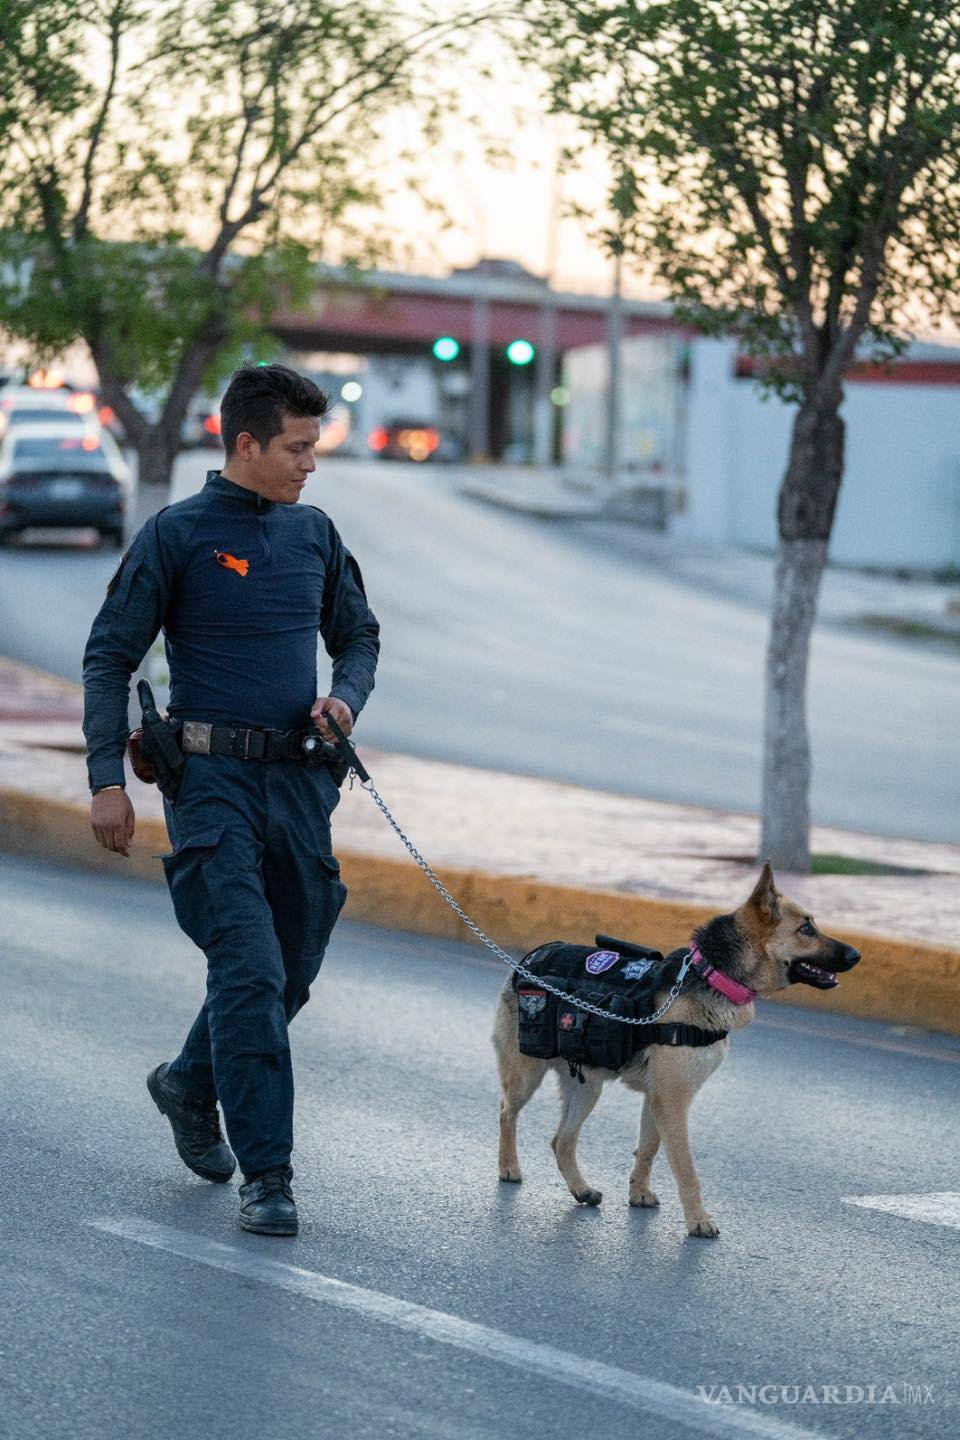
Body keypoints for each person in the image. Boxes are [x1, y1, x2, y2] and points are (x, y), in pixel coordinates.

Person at [82, 363, 380, 1237]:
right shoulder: (177, 535)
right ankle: (270, 1176)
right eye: (297, 448)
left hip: (300, 785)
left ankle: (187, 1079)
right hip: (209, 785)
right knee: (246, 969)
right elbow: (110, 657)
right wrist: (106, 778)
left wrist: (345, 699)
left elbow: (358, 636)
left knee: (289, 971)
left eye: (314, 447)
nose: (309, 465)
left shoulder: (315, 536)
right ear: (246, 444)